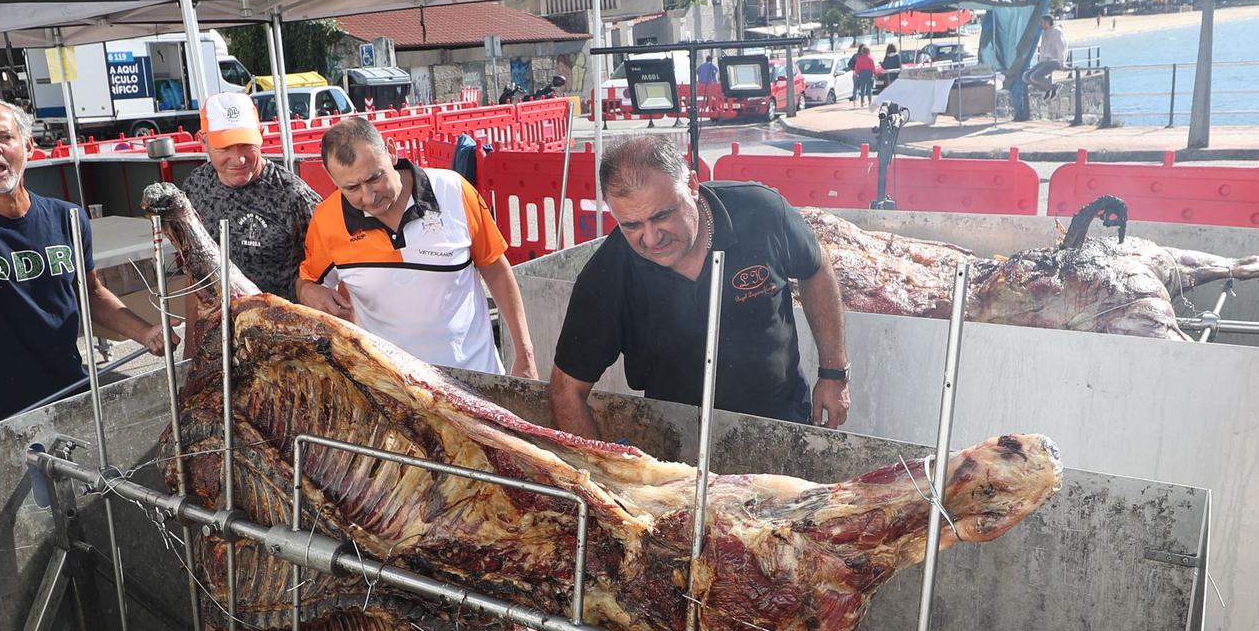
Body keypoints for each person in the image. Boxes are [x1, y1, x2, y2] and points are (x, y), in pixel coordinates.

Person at [548, 134, 850, 440]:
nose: (651, 239)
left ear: (692, 186)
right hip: (675, 444)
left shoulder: (761, 212)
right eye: (631, 225)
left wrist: (834, 372)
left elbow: (816, 267)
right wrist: (601, 474)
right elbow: (566, 390)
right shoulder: (607, 275)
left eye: (662, 215)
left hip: (782, 420)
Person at [0, 99, 168, 427]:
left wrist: (146, 332)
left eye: (4, 136)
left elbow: (91, 294)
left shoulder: (67, 217)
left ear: (28, 145)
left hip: (69, 392)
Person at [298, 115, 538, 379]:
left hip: (476, 378)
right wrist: (309, 291)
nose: (369, 196)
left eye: (375, 177)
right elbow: (307, 283)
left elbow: (495, 268)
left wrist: (524, 352)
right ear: (333, 180)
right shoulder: (327, 220)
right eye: (352, 188)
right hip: (392, 389)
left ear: (391, 151)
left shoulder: (454, 191)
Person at [181, 91, 319, 302]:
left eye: (247, 144)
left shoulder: (293, 196)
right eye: (225, 147)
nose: (239, 159)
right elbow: (194, 273)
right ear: (203, 141)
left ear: (261, 134)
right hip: (219, 322)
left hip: (281, 324)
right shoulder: (196, 186)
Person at [1025, 14, 1069, 91]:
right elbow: (1043, 49)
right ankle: (1047, 90)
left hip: (1055, 61)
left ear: (1047, 22)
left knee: (1034, 77)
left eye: (1042, 22)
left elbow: (1062, 46)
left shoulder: (1056, 31)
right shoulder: (1044, 32)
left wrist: (1062, 62)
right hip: (1045, 61)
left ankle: (1054, 87)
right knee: (1026, 76)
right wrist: (1040, 62)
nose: (1040, 24)